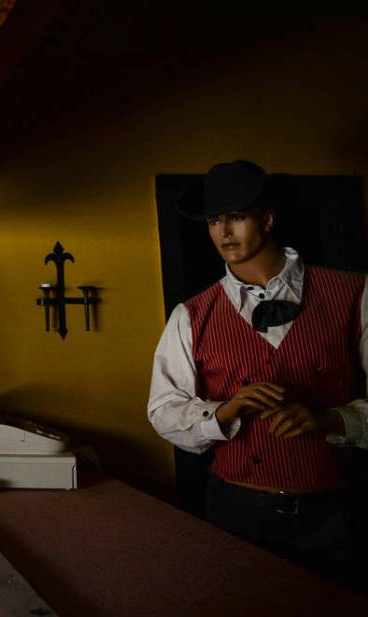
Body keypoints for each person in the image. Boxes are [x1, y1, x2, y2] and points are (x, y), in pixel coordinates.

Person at [148, 160, 368, 587]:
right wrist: (223, 412)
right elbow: (162, 409)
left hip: (335, 513)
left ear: (267, 219)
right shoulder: (191, 315)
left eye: (237, 216)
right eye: (214, 220)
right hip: (235, 512)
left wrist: (334, 419)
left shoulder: (355, 293)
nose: (224, 231)